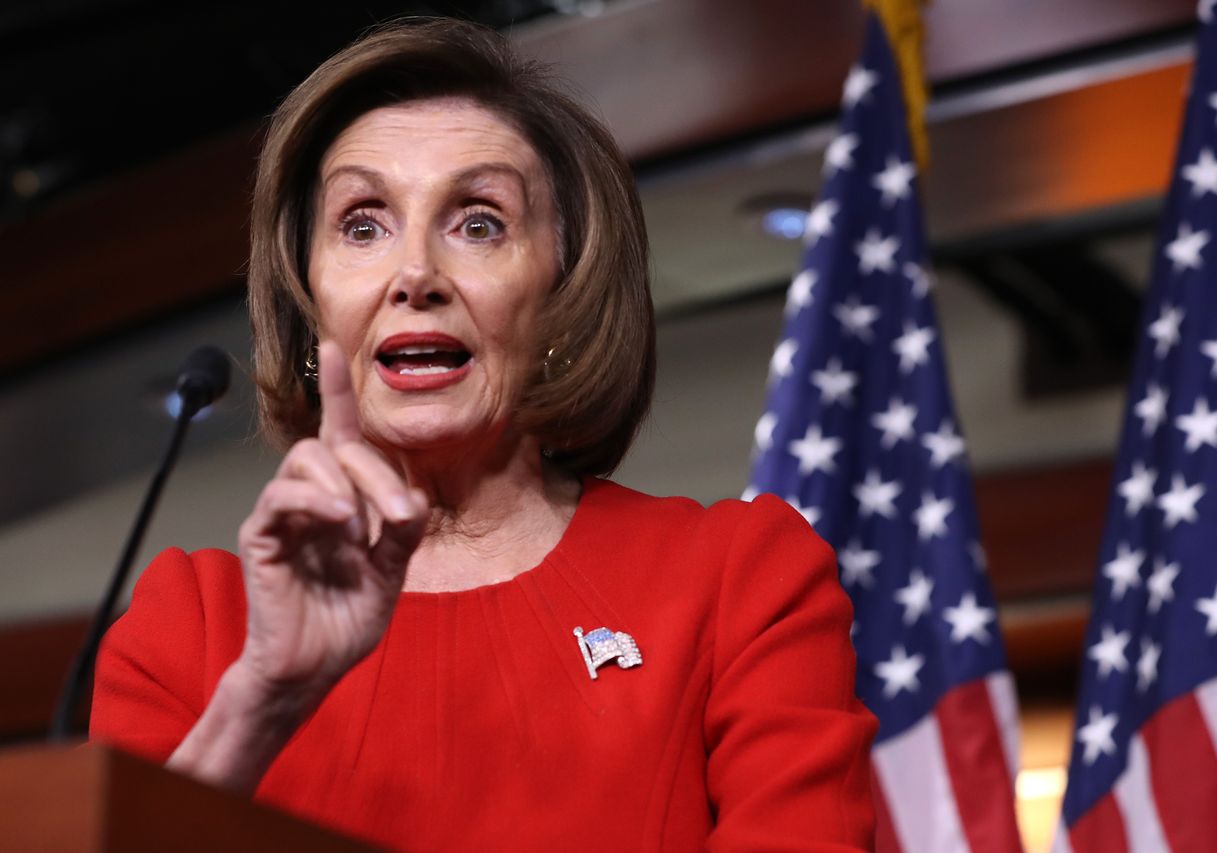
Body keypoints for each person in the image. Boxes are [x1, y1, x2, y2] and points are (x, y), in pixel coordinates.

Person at [90, 18, 877, 850]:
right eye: (362, 224)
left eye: (479, 222)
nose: (416, 274)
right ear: (307, 295)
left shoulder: (738, 581)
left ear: (564, 286)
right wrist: (261, 699)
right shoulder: (191, 627)